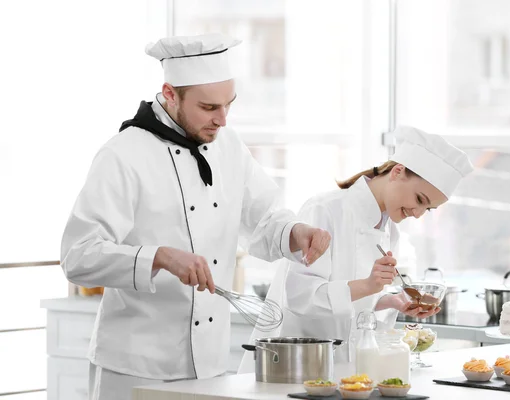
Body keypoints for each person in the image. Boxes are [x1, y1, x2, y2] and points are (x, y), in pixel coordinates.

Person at [60, 33, 330, 400]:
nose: (222, 119)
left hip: (209, 366)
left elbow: (265, 219)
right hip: (135, 368)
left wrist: (296, 232)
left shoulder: (229, 147)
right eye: (208, 107)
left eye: (228, 105)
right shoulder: (123, 155)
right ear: (170, 93)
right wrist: (158, 256)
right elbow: (78, 255)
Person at [239, 126, 473, 372]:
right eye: (419, 200)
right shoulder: (325, 209)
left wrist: (391, 301)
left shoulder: (389, 228)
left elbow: (354, 304)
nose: (418, 214)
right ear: (397, 171)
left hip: (348, 368)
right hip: (299, 364)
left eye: (428, 209)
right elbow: (300, 298)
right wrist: (368, 285)